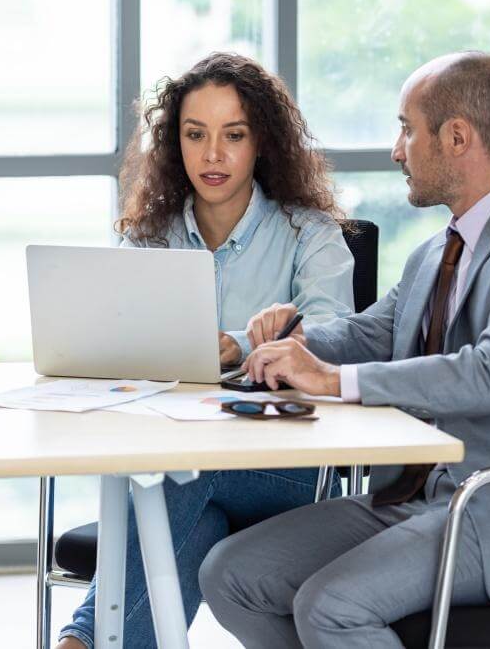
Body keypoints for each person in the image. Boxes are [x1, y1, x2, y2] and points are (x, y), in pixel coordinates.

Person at [198, 51, 490, 648]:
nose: (396, 149)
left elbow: (488, 375)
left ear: (457, 137)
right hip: (416, 495)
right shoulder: (436, 250)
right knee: (232, 574)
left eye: (407, 128)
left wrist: (331, 381)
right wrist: (278, 343)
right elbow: (366, 335)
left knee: (332, 608)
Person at [55, 51, 354, 648]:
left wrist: (241, 344)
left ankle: (78, 641)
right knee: (185, 503)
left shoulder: (310, 234)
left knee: (172, 480)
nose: (212, 155)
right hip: (183, 472)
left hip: (289, 472)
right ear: (176, 145)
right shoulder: (150, 238)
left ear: (261, 143)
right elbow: (113, 340)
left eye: (232, 135)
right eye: (195, 135)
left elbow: (335, 335)